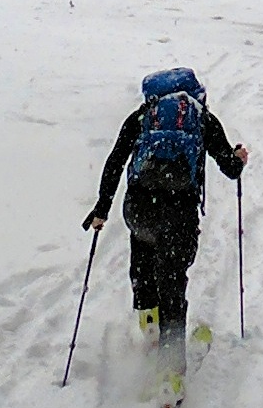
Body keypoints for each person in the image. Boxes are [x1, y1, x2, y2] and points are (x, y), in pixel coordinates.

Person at [86, 65, 247, 355]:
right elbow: (231, 169)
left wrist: (102, 209)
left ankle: (150, 331)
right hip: (179, 212)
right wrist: (238, 158)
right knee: (172, 283)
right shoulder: (202, 118)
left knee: (143, 266)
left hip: (139, 209)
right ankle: (171, 366)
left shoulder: (141, 117)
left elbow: (115, 161)